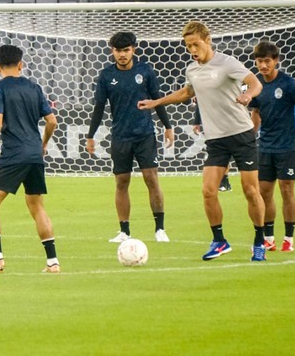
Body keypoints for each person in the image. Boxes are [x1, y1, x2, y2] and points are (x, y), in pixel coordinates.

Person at [138, 20, 267, 262]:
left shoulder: (227, 62)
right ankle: (219, 241)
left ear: (207, 40)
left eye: (195, 44)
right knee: (208, 191)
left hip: (241, 134)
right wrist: (156, 103)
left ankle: (259, 241)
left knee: (250, 191)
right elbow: (187, 93)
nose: (192, 50)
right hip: (216, 139)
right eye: (188, 46)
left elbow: (255, 82)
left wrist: (248, 94)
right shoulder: (192, 70)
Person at [0, 44, 60, 274]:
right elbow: (52, 121)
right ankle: (53, 263)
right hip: (34, 155)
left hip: (13, 154)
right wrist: (43, 144)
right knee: (37, 206)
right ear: (21, 64)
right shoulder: (34, 87)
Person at [85, 31, 174, 243]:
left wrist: (168, 126)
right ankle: (124, 231)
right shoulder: (106, 75)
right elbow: (99, 107)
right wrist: (90, 135)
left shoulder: (145, 71)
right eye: (118, 51)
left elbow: (157, 99)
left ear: (134, 49)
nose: (122, 55)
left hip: (144, 134)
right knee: (121, 182)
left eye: (126, 50)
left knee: (151, 179)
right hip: (120, 136)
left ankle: (160, 229)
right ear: (112, 51)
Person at [249, 40, 295, 252]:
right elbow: (256, 112)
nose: (263, 66)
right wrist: (252, 135)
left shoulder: (288, 84)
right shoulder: (256, 85)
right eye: (259, 61)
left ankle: (289, 239)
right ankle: (269, 238)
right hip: (265, 147)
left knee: (286, 190)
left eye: (267, 61)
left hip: (287, 147)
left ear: (276, 61)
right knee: (264, 193)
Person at [192, 106, 231, 192]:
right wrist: (197, 121)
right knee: (221, 152)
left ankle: (223, 182)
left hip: (224, 122)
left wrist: (197, 121)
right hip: (214, 123)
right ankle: (224, 182)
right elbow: (200, 103)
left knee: (222, 152)